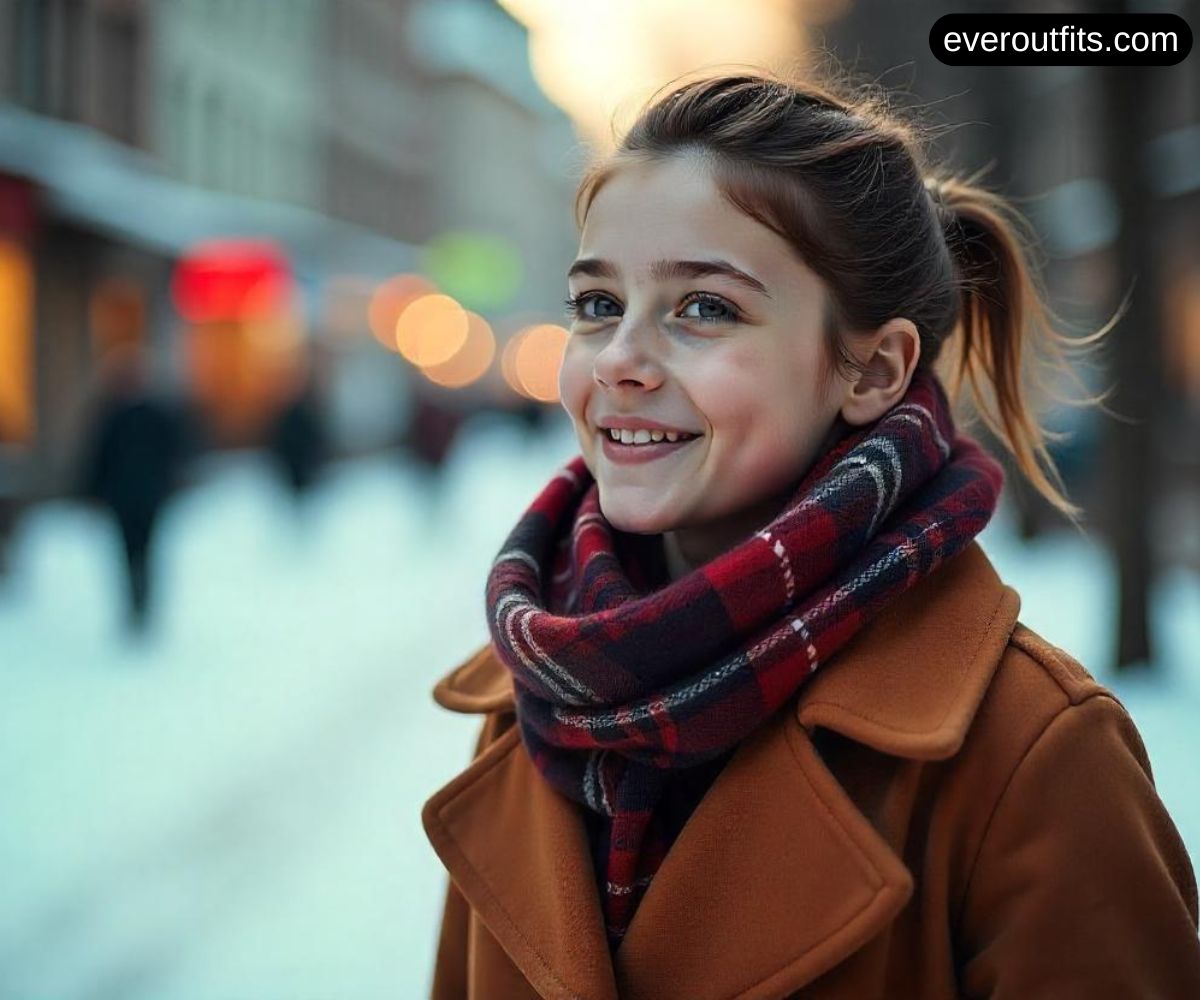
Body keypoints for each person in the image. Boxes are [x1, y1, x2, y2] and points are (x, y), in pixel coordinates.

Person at [421, 70, 1200, 999]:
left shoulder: (1033, 758)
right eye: (597, 304)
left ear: (871, 370)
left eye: (704, 307)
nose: (620, 359)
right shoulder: (535, 701)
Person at [78, 346, 190, 635]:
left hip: (147, 496)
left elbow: (175, 452)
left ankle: (143, 602)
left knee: (145, 550)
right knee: (130, 552)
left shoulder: (153, 415)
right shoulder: (112, 416)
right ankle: (135, 602)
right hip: (125, 498)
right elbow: (98, 458)